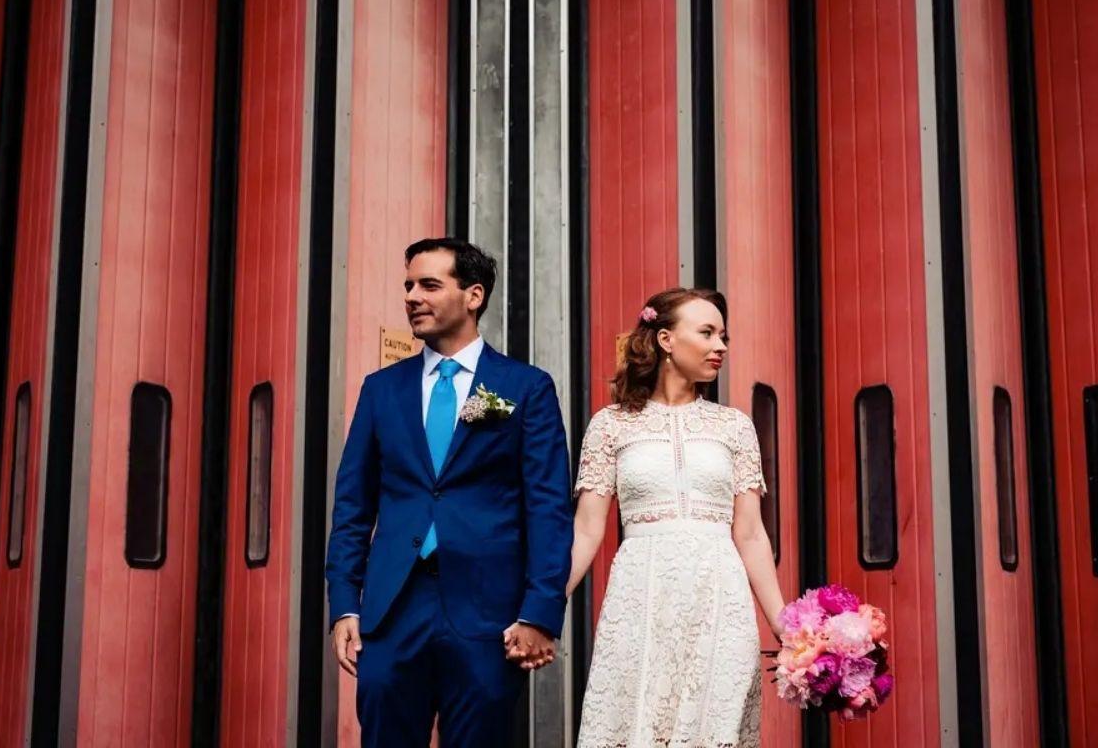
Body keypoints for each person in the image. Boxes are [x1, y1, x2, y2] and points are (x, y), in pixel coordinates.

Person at [326, 237, 573, 747]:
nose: (412, 296)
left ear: (474, 295)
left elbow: (548, 509)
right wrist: (346, 605)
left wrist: (539, 612)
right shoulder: (381, 389)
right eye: (408, 286)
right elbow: (353, 506)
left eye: (429, 285)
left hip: (488, 613)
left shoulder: (525, 388)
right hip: (393, 610)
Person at [565, 287, 786, 747]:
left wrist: (785, 623)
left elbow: (749, 534)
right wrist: (542, 607)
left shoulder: (735, 426)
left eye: (723, 335)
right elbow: (586, 531)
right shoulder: (611, 426)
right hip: (641, 598)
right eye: (706, 333)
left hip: (720, 602)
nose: (720, 346)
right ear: (666, 340)